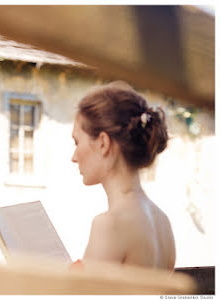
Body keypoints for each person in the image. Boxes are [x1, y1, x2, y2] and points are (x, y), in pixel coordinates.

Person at [71, 81, 176, 270]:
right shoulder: (163, 223)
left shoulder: (109, 225)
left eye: (77, 142)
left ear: (103, 143)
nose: (74, 157)